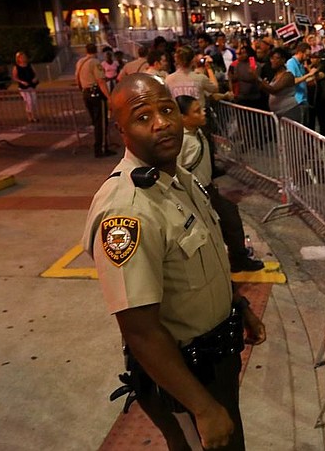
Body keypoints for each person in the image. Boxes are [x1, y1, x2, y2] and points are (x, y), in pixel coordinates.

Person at [82, 74, 266, 450]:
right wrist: (202, 408)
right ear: (122, 131)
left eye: (166, 109)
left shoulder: (178, 178)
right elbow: (139, 329)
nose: (162, 122)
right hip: (183, 380)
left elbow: (208, 260)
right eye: (143, 116)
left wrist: (238, 304)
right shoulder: (127, 211)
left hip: (217, 360)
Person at [176, 95, 265, 273]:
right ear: (182, 118)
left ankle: (238, 258)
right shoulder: (180, 141)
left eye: (201, 108)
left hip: (208, 190)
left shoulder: (198, 131)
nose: (203, 113)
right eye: (196, 111)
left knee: (230, 219)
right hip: (193, 196)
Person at [75, 43, 114, 157]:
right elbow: (101, 81)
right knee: (101, 123)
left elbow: (77, 79)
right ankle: (101, 148)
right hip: (96, 93)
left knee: (95, 121)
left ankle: (100, 146)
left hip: (86, 93)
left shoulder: (80, 62)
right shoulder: (95, 62)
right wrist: (109, 97)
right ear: (96, 51)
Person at [253, 48, 298, 121]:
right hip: (278, 113)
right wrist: (263, 85)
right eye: (271, 58)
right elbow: (270, 92)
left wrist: (257, 77)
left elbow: (274, 90)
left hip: (288, 111)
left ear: (283, 60)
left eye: (276, 58)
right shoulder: (276, 75)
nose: (273, 61)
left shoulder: (287, 75)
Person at [285, 42, 318, 124]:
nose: (307, 58)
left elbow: (302, 79)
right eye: (306, 55)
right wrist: (308, 75)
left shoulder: (301, 64)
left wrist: (311, 76)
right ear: (300, 53)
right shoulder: (291, 63)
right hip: (296, 101)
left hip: (304, 100)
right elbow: (292, 81)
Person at [12, 51, 39, 123]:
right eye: (21, 57)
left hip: (31, 85)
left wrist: (35, 78)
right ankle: (30, 116)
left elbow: (35, 73)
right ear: (18, 59)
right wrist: (21, 82)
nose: (23, 58)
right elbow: (14, 77)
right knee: (28, 101)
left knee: (34, 101)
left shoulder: (29, 65)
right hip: (23, 87)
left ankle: (34, 115)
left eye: (24, 57)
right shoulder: (16, 67)